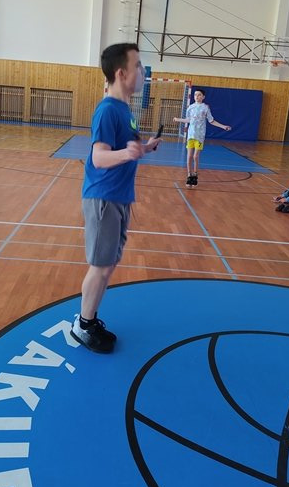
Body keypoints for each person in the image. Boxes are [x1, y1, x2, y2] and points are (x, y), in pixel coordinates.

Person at [70, 43, 161, 353]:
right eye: (138, 66)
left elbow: (127, 149)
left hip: (119, 197)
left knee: (107, 265)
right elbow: (99, 157)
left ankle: (89, 319)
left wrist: (145, 147)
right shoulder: (108, 109)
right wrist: (127, 153)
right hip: (104, 197)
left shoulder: (125, 110)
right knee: (100, 266)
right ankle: (83, 325)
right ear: (122, 73)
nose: (143, 71)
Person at [173, 88, 231, 186]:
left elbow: (211, 121)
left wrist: (223, 126)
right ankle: (189, 176)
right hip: (191, 135)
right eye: (195, 95)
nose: (197, 96)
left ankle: (195, 175)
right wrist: (178, 119)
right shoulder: (190, 107)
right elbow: (189, 120)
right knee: (189, 156)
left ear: (203, 97)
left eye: (199, 95)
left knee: (195, 156)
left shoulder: (205, 108)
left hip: (199, 136)